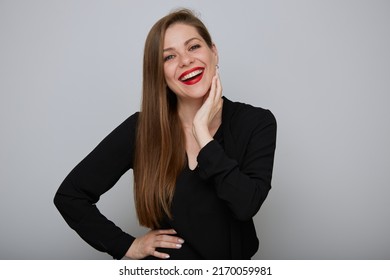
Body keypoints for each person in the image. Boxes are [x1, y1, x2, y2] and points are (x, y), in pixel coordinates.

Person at [54, 8, 277, 260]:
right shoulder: (143, 128)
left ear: (213, 52)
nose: (185, 61)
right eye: (169, 57)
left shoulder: (256, 122)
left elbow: (245, 206)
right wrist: (127, 246)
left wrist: (202, 133)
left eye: (193, 47)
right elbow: (70, 196)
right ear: (159, 73)